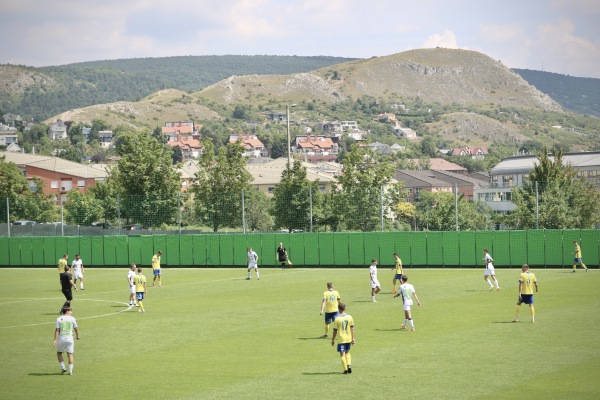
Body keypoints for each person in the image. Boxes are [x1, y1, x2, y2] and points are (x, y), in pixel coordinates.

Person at [53, 306, 80, 375]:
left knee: (59, 353)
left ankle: (63, 367)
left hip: (61, 338)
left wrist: (55, 340)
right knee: (70, 355)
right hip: (70, 339)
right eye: (70, 310)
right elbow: (76, 328)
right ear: (67, 311)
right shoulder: (72, 319)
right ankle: (70, 371)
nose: (71, 312)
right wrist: (77, 336)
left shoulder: (59, 319)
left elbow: (57, 330)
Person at [331, 302, 355, 374]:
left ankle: (345, 370)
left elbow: (335, 331)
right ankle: (349, 365)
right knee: (347, 352)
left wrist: (332, 340)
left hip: (341, 339)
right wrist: (353, 338)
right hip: (348, 338)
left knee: (342, 354)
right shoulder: (350, 317)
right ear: (345, 308)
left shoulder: (337, 319)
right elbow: (352, 329)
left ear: (338, 309)